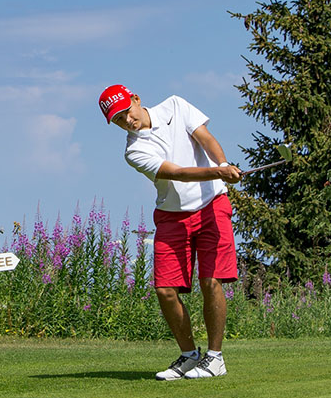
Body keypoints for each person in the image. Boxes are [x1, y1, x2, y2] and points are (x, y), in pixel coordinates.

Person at [99, 85, 242, 380]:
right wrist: (219, 172)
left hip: (212, 204)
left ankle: (215, 358)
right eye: (117, 120)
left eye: (126, 112)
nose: (126, 121)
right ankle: (190, 355)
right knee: (165, 290)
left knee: (210, 281)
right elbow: (176, 172)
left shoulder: (176, 106)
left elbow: (205, 138)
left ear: (136, 100)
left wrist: (223, 164)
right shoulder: (134, 150)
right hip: (172, 216)